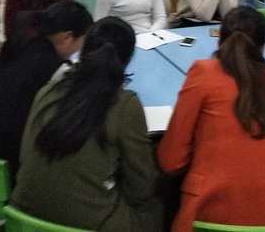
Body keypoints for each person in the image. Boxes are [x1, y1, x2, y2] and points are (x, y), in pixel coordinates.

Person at [158, 6, 265, 231]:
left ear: (220, 41)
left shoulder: (204, 72)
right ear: (264, 47)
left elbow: (171, 161)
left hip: (207, 217)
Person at [12, 17, 162, 232]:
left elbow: (25, 155)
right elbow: (141, 187)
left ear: (83, 50)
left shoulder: (48, 90)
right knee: (158, 208)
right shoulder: (125, 105)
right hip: (85, 225)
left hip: (22, 217)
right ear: (128, 59)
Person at [0, 1, 92, 178]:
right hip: (10, 169)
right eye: (83, 41)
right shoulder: (52, 68)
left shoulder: (18, 45)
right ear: (67, 37)